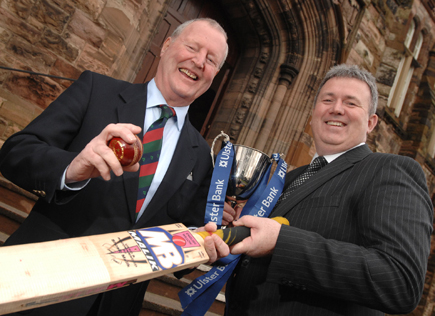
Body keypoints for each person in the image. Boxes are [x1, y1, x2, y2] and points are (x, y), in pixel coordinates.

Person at [0, 18, 229, 316]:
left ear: (214, 75)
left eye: (211, 60)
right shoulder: (96, 90)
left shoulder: (201, 156)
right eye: (192, 47)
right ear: (167, 45)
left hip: (117, 305)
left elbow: (184, 232)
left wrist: (209, 238)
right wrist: (72, 169)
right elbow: (15, 153)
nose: (199, 61)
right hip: (39, 286)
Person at [217, 64, 434, 315]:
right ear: (313, 114)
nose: (336, 108)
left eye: (351, 103)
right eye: (327, 100)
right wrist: (229, 234)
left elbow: (400, 281)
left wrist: (282, 243)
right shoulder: (289, 178)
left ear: (371, 122)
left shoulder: (389, 170)